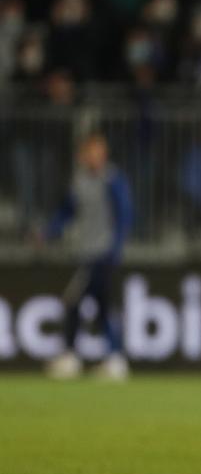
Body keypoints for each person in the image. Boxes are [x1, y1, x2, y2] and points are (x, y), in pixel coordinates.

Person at [43, 133, 133, 380]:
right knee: (103, 307)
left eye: (98, 151)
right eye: (89, 152)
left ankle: (72, 356)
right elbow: (67, 212)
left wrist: (115, 249)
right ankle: (114, 359)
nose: (93, 156)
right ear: (84, 154)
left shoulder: (113, 180)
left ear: (103, 154)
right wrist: (48, 232)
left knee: (73, 302)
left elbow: (125, 215)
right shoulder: (80, 182)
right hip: (85, 252)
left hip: (102, 254)